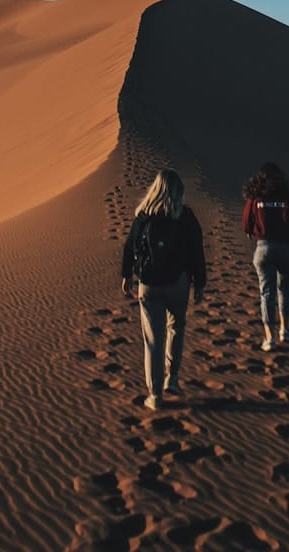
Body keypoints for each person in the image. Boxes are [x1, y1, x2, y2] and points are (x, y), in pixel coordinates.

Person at [122, 168, 206, 410]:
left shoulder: (144, 216)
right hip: (178, 283)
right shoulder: (186, 217)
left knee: (153, 339)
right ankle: (173, 379)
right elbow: (196, 252)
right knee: (176, 327)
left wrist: (126, 275)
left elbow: (130, 247)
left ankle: (155, 395)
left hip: (149, 285)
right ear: (179, 191)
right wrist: (199, 283)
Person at [242, 161, 289, 351]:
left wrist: (255, 230)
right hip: (287, 250)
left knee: (266, 293)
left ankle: (269, 338)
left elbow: (246, 224)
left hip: (264, 249)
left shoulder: (255, 197)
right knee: (284, 289)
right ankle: (284, 330)